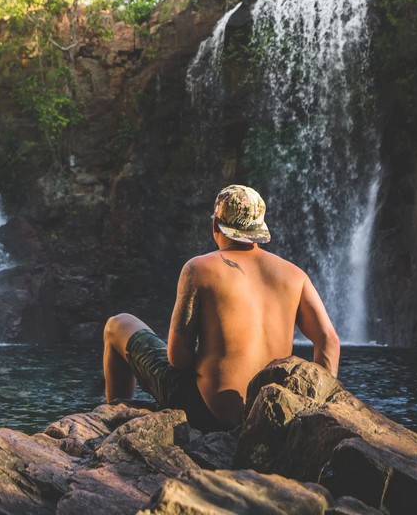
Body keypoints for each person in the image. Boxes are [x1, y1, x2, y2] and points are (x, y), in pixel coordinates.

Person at [102, 184, 340, 431]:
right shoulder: (295, 275)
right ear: (260, 228)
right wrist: (312, 410)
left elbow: (178, 358)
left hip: (207, 414)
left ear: (215, 224)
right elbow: (329, 341)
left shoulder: (198, 269)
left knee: (117, 324)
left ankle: (113, 428)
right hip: (267, 416)